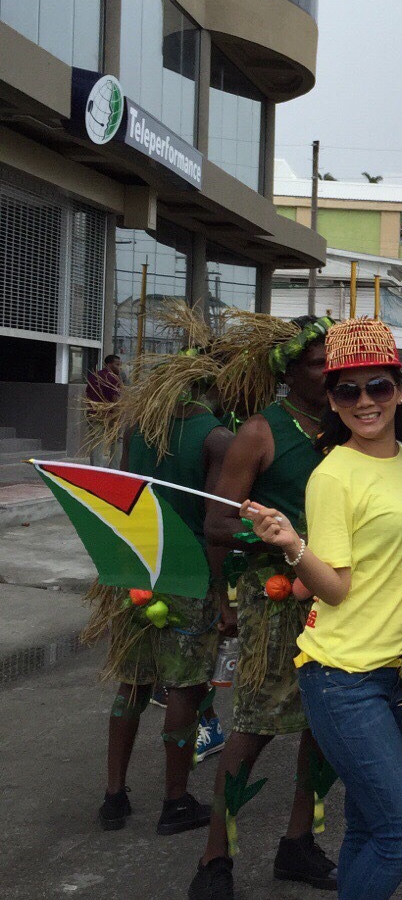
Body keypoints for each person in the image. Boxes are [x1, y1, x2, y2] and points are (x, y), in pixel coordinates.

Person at [243, 319, 402, 900]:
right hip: (345, 676)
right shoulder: (334, 475)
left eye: (378, 386)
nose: (365, 400)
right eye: (348, 389)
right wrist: (292, 546)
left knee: (367, 830)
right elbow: (334, 587)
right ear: (331, 397)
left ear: (399, 388)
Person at [189, 316, 337, 900]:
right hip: (274, 602)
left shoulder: (345, 428)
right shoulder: (259, 432)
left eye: (336, 362)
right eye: (317, 363)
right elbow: (217, 522)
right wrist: (275, 541)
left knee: (321, 728)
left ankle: (298, 844)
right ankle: (213, 862)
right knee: (252, 725)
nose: (330, 373)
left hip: (331, 597)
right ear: (289, 370)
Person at [93, 346, 230, 835]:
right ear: (207, 385)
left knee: (130, 682)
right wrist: (221, 592)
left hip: (137, 570)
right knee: (185, 689)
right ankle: (174, 801)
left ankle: (114, 797)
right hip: (189, 574)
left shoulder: (139, 430)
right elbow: (216, 524)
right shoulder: (216, 437)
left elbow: (124, 497)